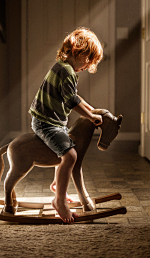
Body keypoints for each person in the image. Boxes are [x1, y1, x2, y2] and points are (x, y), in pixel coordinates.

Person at [29, 27, 104, 223]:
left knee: (64, 150)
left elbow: (75, 97)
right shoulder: (67, 72)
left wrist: (91, 109)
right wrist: (90, 116)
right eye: (88, 59)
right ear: (77, 51)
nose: (87, 66)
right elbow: (71, 102)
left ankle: (57, 183)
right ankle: (59, 201)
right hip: (47, 123)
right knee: (71, 155)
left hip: (51, 121)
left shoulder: (62, 67)